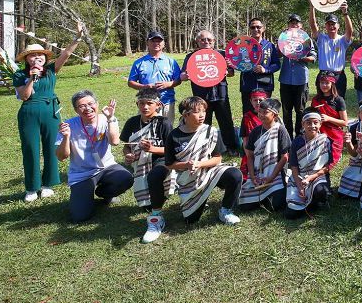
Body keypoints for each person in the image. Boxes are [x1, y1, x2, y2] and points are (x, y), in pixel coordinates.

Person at [14, 22, 84, 203]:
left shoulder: (52, 70)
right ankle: (31, 187)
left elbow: (66, 54)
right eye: (32, 55)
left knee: (51, 147)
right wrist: (31, 77)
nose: (36, 58)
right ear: (26, 59)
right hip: (29, 113)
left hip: (51, 111)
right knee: (30, 149)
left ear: (45, 57)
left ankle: (47, 185)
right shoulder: (20, 75)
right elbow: (24, 96)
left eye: (40, 55)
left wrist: (77, 37)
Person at [55, 90, 133, 223]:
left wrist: (111, 119)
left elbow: (115, 142)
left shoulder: (106, 119)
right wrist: (66, 137)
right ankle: (86, 195)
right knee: (80, 217)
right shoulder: (69, 126)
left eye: (91, 103)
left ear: (97, 104)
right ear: (76, 110)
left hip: (106, 166)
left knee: (125, 178)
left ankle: (103, 193)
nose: (87, 108)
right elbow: (62, 157)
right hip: (82, 173)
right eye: (82, 106)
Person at [165, 96, 242, 225]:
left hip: (209, 170)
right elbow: (169, 164)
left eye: (203, 111)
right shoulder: (174, 136)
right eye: (196, 112)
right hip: (188, 178)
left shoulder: (210, 131)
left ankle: (226, 210)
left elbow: (217, 159)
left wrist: (199, 164)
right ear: (185, 114)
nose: (201, 115)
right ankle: (199, 198)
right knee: (191, 220)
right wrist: (187, 165)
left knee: (234, 174)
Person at [120, 89, 175, 243]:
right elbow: (126, 146)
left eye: (149, 103)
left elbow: (170, 150)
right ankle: (154, 200)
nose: (145, 107)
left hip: (161, 160)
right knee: (146, 204)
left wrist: (152, 149)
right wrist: (128, 155)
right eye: (141, 103)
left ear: (157, 105)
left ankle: (156, 217)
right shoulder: (132, 122)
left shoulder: (164, 123)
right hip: (140, 162)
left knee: (155, 176)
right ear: (137, 104)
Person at [180, 30, 239, 152]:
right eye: (202, 39)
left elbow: (232, 73)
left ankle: (231, 147)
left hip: (220, 93)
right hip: (201, 95)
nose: (206, 41)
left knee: (226, 121)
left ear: (213, 41)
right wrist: (184, 76)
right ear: (197, 42)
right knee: (203, 122)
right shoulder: (191, 57)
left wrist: (228, 71)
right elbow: (183, 75)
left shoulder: (222, 54)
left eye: (209, 39)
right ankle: (203, 148)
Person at [239, 98, 291, 212]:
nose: (261, 115)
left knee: (276, 205)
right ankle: (262, 196)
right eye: (260, 112)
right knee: (244, 206)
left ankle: (267, 196)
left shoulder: (281, 130)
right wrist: (252, 176)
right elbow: (250, 156)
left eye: (265, 112)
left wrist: (271, 177)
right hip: (258, 174)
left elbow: (284, 157)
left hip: (275, 174)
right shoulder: (255, 131)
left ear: (275, 115)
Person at [285, 108, 335, 219]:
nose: (312, 126)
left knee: (321, 192)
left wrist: (310, 178)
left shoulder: (326, 141)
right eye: (308, 123)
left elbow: (326, 167)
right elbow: (294, 166)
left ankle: (314, 202)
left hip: (317, 176)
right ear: (303, 124)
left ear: (320, 124)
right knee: (290, 214)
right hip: (299, 176)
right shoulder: (296, 142)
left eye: (315, 122)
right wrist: (300, 186)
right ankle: (309, 204)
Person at [128, 30, 181, 122]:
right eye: (153, 41)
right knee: (145, 131)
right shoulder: (139, 63)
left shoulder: (171, 62)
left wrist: (168, 84)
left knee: (166, 131)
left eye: (159, 41)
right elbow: (130, 82)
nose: (156, 43)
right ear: (147, 43)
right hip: (146, 103)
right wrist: (146, 86)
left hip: (166, 102)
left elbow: (178, 80)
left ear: (163, 44)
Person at [279, 13, 316, 138]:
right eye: (292, 23)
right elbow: (278, 53)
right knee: (286, 111)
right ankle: (287, 138)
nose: (294, 25)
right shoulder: (283, 38)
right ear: (289, 25)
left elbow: (313, 57)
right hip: (285, 79)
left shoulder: (306, 40)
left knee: (300, 110)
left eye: (297, 23)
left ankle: (300, 137)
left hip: (301, 80)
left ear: (301, 25)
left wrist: (302, 57)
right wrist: (281, 40)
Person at [309, 0, 354, 99]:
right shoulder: (321, 38)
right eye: (329, 24)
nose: (331, 26)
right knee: (323, 103)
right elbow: (313, 25)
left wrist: (345, 13)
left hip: (339, 76)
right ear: (325, 26)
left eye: (333, 24)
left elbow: (350, 31)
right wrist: (312, 6)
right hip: (324, 75)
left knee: (339, 102)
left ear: (338, 26)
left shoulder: (342, 40)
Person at [239, 18, 281, 114]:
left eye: (258, 27)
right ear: (249, 29)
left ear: (263, 28)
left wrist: (265, 70)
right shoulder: (243, 45)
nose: (256, 29)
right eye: (253, 27)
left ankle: (264, 129)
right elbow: (236, 62)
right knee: (248, 113)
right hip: (247, 84)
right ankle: (248, 129)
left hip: (265, 84)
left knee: (265, 111)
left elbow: (277, 64)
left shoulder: (270, 45)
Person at [311, 70, 349, 168]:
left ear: (332, 84)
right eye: (322, 83)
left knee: (329, 161)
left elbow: (344, 122)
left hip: (334, 134)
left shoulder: (338, 100)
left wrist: (328, 118)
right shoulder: (316, 99)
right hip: (318, 132)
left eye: (327, 83)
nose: (324, 85)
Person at [239, 89, 269, 180]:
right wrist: (249, 156)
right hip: (251, 152)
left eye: (261, 100)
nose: (258, 103)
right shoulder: (247, 117)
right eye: (255, 100)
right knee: (246, 179)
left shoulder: (271, 116)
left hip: (268, 152)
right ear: (251, 101)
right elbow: (245, 139)